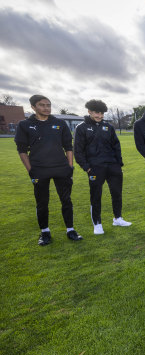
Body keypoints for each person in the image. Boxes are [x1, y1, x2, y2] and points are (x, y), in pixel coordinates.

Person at [15, 94, 83, 245]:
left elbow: (68, 147)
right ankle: (45, 232)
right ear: (33, 107)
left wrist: (70, 166)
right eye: (42, 105)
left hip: (61, 169)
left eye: (48, 105)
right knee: (42, 202)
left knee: (66, 200)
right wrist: (30, 170)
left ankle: (70, 230)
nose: (46, 108)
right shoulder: (24, 125)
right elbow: (22, 150)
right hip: (39, 170)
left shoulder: (59, 123)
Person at [74, 99, 131, 234]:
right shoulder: (81, 128)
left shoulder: (108, 127)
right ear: (89, 112)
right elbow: (78, 150)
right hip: (95, 168)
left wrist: (119, 163)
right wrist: (86, 167)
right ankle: (97, 224)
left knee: (117, 194)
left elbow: (116, 146)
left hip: (113, 167)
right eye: (96, 113)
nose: (99, 116)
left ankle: (117, 218)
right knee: (96, 196)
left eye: (101, 113)